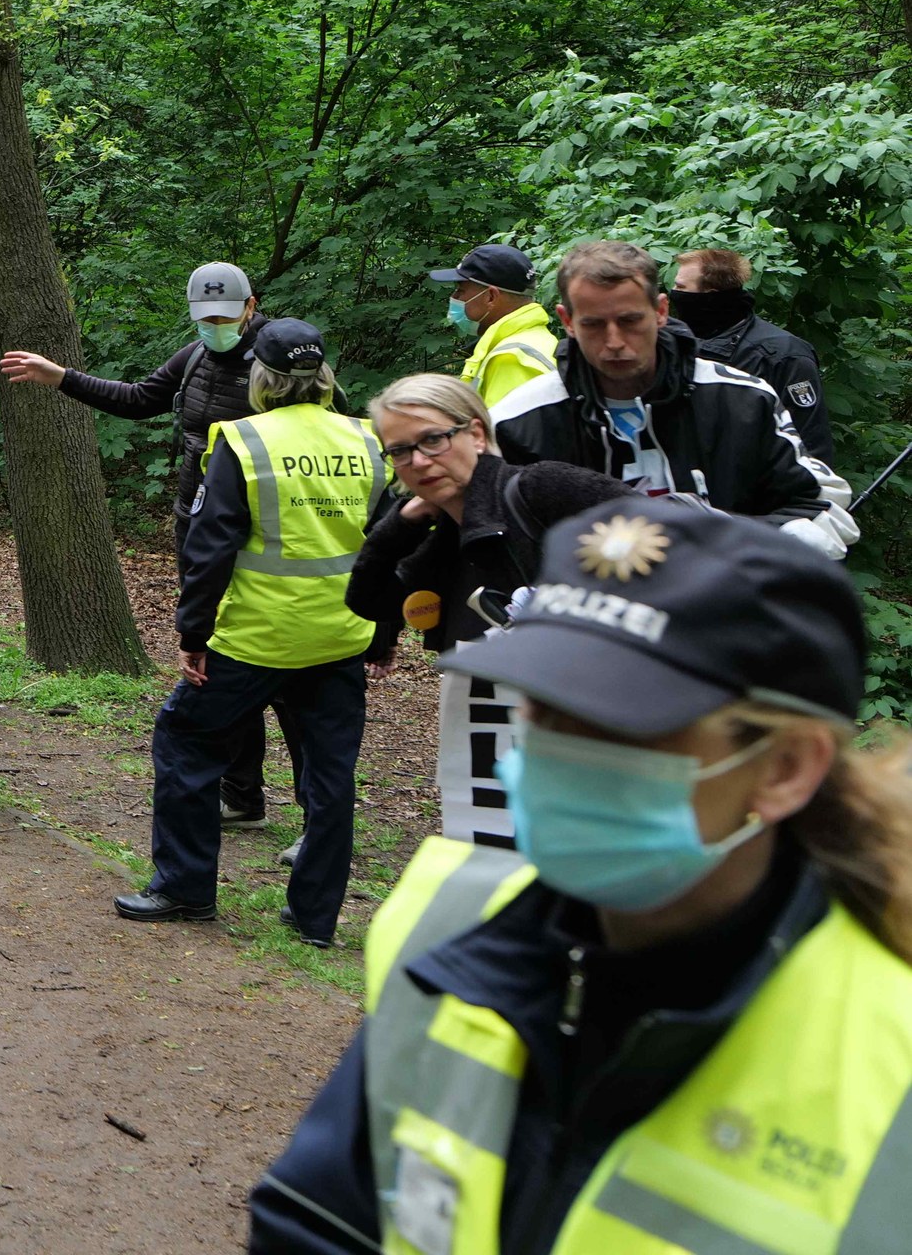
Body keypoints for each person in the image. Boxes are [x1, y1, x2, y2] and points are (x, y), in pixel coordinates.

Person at [249, 495, 912, 1255]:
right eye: (550, 709)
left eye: (627, 723)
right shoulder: (444, 925)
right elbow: (321, 1222)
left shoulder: (893, 1063)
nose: (564, 752)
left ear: (786, 769)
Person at [115, 319, 377, 947]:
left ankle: (183, 886)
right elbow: (386, 543)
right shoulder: (367, 440)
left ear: (262, 375)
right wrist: (383, 626)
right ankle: (315, 918)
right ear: (324, 377)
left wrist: (192, 632)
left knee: (187, 741)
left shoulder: (241, 440)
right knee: (330, 775)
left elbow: (211, 550)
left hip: (254, 637)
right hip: (339, 637)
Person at [4, 260, 294, 822]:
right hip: (199, 522)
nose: (215, 325)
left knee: (272, 671)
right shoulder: (195, 358)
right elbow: (139, 398)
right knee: (219, 658)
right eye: (205, 317)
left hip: (262, 533)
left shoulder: (278, 364)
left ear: (251, 306)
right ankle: (243, 792)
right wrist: (60, 376)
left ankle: (293, 805)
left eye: (225, 315)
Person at [351, 373, 628, 849]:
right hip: (499, 770)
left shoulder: (539, 490)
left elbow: (673, 542)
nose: (417, 461)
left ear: (477, 433)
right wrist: (399, 523)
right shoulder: (443, 542)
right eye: (398, 451)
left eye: (433, 439)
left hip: (602, 746)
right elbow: (371, 601)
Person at [491, 239, 854, 556]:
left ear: (661, 311)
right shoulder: (519, 418)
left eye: (630, 321)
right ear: (567, 321)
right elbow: (486, 529)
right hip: (583, 624)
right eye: (594, 324)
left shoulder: (743, 399)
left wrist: (726, 537)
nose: (615, 341)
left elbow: (824, 506)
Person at [670, 246, 836, 465]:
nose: (672, 292)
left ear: (709, 296)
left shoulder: (784, 355)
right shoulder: (672, 344)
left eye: (680, 287)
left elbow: (811, 445)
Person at [434, 240, 560, 408]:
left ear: (491, 297)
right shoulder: (537, 340)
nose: (454, 298)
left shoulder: (511, 359)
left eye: (460, 290)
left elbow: (502, 433)